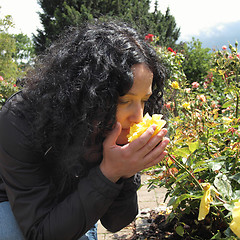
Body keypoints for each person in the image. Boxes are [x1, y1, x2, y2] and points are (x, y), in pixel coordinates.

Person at [0, 20, 169, 240]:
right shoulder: (19, 119)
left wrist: (124, 172)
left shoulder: (113, 126)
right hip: (14, 200)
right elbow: (39, 233)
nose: (138, 116)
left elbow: (116, 222)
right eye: (124, 100)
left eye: (144, 99)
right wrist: (109, 172)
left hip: (75, 200)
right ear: (90, 93)